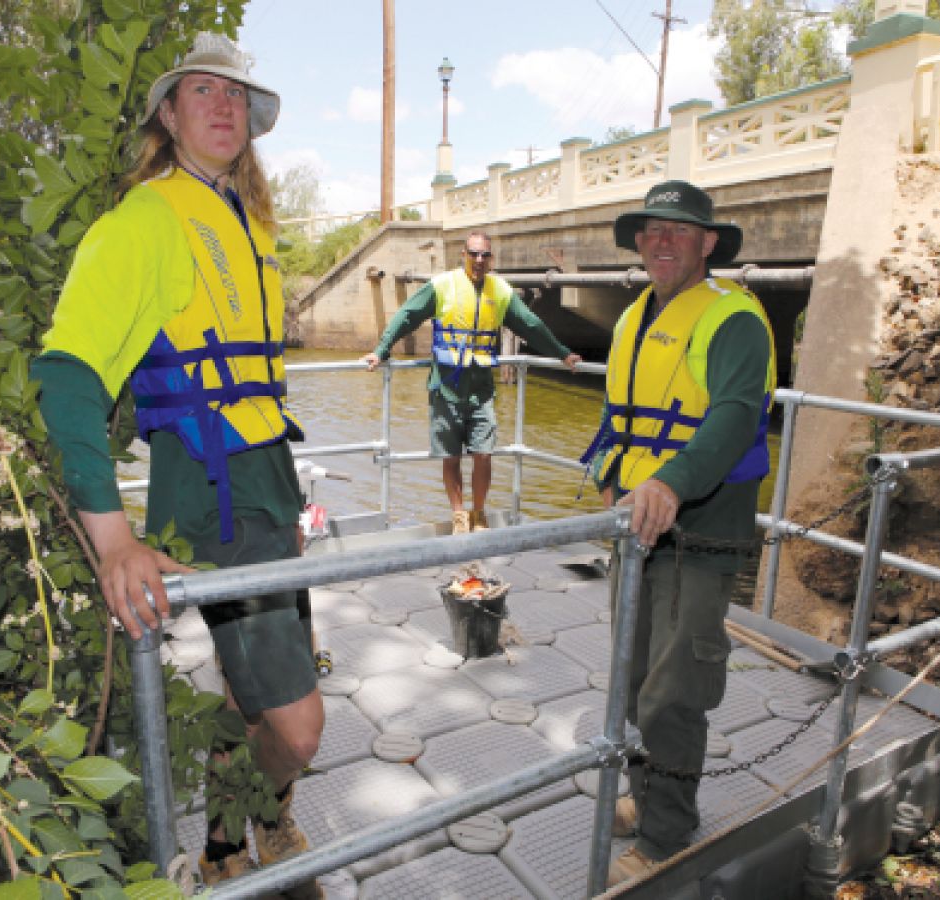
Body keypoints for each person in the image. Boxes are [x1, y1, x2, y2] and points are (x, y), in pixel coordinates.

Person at [31, 33, 323, 895]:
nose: (225, 106)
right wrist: (113, 537)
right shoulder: (147, 219)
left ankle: (231, 838)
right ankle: (266, 812)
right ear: (169, 113)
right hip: (210, 491)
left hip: (267, 481)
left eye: (236, 94)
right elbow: (67, 373)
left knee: (246, 697)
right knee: (299, 729)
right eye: (204, 91)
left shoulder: (245, 218)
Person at [579, 180, 776, 888]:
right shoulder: (636, 315)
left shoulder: (735, 321)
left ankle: (668, 837)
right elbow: (620, 413)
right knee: (633, 683)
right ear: (638, 242)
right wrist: (609, 468)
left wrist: (669, 482)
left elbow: (730, 417)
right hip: (636, 529)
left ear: (709, 244)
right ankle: (651, 793)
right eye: (651, 230)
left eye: (680, 231)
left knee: (674, 690)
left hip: (699, 530)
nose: (663, 242)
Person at [360, 232, 582, 533]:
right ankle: (459, 515)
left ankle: (479, 515)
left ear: (491, 259)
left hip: (481, 388)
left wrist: (562, 353)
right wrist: (381, 350)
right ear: (463, 255)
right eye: (473, 254)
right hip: (446, 386)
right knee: (450, 458)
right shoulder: (442, 285)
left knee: (484, 453)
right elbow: (408, 315)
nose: (479, 260)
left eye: (485, 255)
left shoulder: (500, 291)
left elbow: (531, 325)